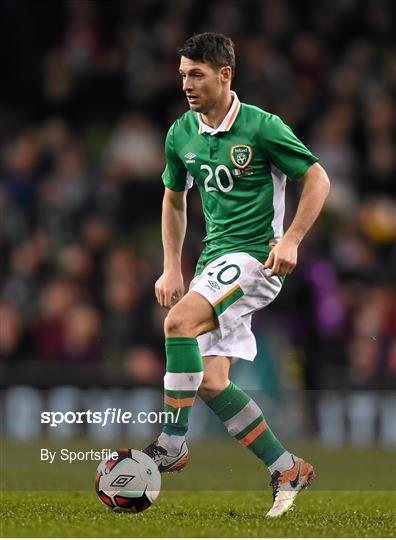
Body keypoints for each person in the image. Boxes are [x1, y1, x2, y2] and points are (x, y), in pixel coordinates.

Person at [143, 32, 330, 518]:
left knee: (177, 324)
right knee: (207, 382)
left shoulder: (262, 126)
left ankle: (172, 443)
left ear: (225, 75)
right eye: (183, 73)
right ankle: (286, 466)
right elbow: (173, 197)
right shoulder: (181, 132)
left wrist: (290, 239)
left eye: (197, 74)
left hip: (255, 258)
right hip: (213, 261)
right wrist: (171, 265)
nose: (186, 82)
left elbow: (317, 178)